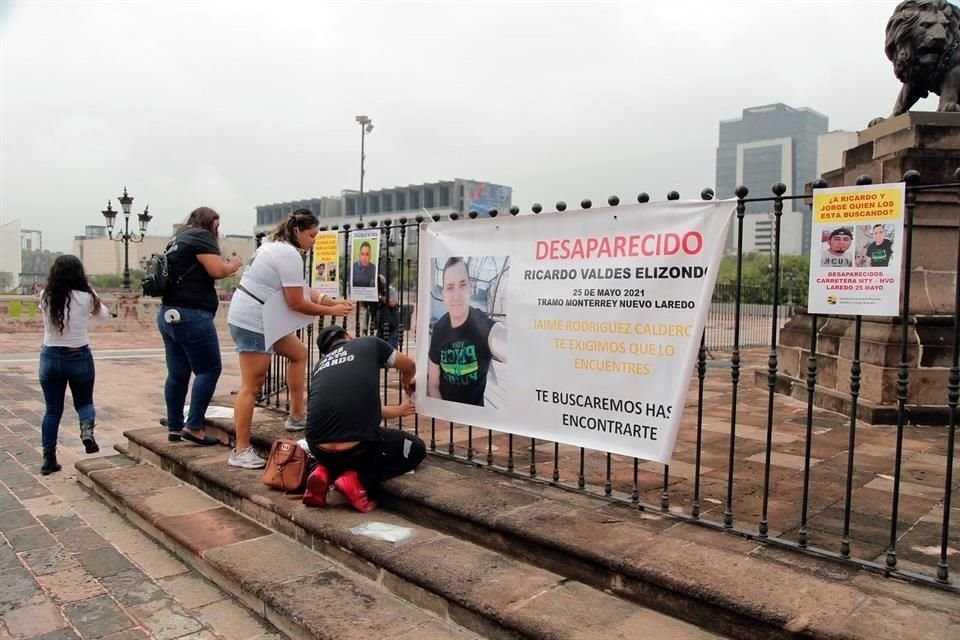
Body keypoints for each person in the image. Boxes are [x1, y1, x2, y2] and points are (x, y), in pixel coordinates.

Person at [227, 209, 353, 469]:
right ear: (297, 231)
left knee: (298, 353)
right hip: (253, 320)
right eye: (311, 235)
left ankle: (297, 415)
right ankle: (240, 449)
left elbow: (300, 287)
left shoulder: (275, 247)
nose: (314, 240)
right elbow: (296, 302)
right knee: (252, 385)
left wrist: (328, 300)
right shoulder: (288, 254)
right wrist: (331, 311)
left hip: (256, 315)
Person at [302, 324, 424, 512]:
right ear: (349, 336)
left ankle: (323, 470)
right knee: (415, 449)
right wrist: (406, 382)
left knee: (339, 452)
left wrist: (399, 410)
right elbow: (409, 365)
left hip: (317, 447)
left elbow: (358, 407)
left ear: (325, 351)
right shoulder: (369, 343)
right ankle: (357, 480)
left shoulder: (320, 366)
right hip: (358, 449)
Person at [158, 207, 242, 446]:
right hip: (192, 314)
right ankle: (193, 426)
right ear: (209, 223)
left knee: (177, 374)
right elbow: (216, 270)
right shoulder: (201, 237)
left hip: (168, 313)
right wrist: (232, 264)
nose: (218, 230)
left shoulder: (178, 238)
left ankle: (175, 426)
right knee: (209, 369)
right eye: (217, 225)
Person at [38, 255, 110, 475]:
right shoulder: (87, 297)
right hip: (78, 355)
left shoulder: (45, 296)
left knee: (52, 410)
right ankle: (87, 432)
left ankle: (49, 458)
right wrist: (84, 320)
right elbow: (103, 316)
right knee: (84, 401)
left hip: (50, 357)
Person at [427, 257, 507, 406]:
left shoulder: (482, 325)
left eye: (462, 285)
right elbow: (433, 384)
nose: (456, 296)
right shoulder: (439, 329)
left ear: (471, 288)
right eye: (450, 287)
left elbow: (500, 338)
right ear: (443, 294)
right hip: (446, 418)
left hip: (476, 421)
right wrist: (443, 415)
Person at [376, 274, 400, 350]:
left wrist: (380, 297)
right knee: (379, 349)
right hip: (381, 326)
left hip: (392, 325)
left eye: (380, 282)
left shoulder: (391, 291)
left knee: (391, 351)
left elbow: (392, 303)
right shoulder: (377, 293)